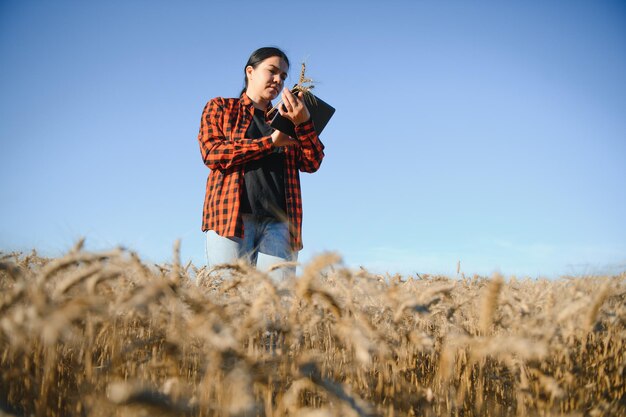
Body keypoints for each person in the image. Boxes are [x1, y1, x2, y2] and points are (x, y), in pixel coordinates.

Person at [197, 47, 325, 280]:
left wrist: (304, 123)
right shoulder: (221, 108)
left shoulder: (289, 118)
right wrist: (270, 142)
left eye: (284, 76)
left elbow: (312, 162)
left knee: (276, 305)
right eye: (272, 71)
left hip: (280, 224)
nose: (278, 80)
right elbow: (212, 153)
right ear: (250, 72)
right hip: (231, 219)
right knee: (227, 301)